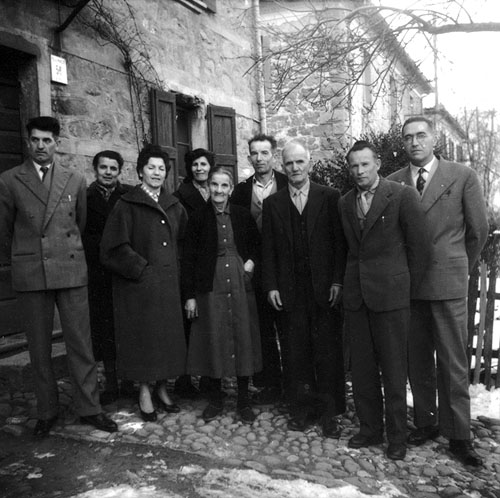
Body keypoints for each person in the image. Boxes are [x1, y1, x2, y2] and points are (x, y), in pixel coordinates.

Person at [0, 116, 117, 436]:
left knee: (81, 343)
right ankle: (47, 410)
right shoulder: (9, 180)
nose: (41, 146)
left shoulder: (74, 179)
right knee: (39, 348)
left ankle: (89, 408)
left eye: (47, 140)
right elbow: (4, 231)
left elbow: (79, 224)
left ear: (57, 143)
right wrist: (25, 255)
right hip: (32, 272)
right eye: (35, 140)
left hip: (70, 268)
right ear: (28, 142)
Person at [388, 116, 489, 466]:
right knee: (417, 360)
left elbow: (478, 231)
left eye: (421, 135)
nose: (414, 142)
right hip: (410, 287)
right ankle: (427, 422)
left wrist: (457, 265)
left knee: (452, 362)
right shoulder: (394, 182)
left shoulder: (462, 176)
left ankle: (459, 435)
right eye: (408, 137)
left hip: (447, 284)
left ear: (434, 139)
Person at [339, 140, 429, 460]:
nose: (360, 171)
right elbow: (349, 250)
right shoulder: (345, 202)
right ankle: (370, 430)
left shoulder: (402, 195)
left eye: (365, 164)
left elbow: (420, 249)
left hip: (392, 298)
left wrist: (405, 290)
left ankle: (397, 437)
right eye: (354, 166)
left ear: (377, 163)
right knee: (362, 370)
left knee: (393, 371)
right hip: (358, 297)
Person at [261, 140, 346, 437]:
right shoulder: (273, 203)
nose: (295, 168)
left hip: (324, 290)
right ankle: (301, 409)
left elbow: (340, 244)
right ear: (282, 166)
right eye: (289, 163)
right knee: (295, 352)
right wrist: (271, 285)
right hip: (290, 291)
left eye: (299, 162)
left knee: (327, 352)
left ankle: (329, 413)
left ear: (309, 162)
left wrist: (337, 280)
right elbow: (268, 249)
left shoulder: (330, 197)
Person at [100, 144, 187, 422]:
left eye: (161, 169)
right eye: (151, 168)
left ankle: (162, 388)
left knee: (166, 338)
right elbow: (112, 247)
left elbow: (184, 243)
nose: (157, 173)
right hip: (138, 287)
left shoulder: (174, 205)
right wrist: (141, 270)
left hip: (168, 286)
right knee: (145, 340)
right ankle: (145, 392)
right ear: (140, 172)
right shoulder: (127, 205)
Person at [182, 166, 262, 424]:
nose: (218, 190)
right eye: (214, 185)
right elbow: (188, 258)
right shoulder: (198, 217)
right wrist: (190, 296)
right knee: (214, 337)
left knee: (242, 337)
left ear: (231, 189)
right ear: (209, 187)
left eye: (224, 185)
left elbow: (257, 245)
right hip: (210, 284)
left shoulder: (241, 214)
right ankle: (215, 399)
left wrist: (250, 262)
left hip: (239, 282)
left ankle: (243, 400)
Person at [231, 134, 288, 405]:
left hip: (285, 268)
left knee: (288, 328)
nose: (259, 158)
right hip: (255, 268)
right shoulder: (241, 191)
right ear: (249, 157)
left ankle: (294, 384)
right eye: (254, 153)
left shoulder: (287, 183)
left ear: (273, 155)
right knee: (263, 329)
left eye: (265, 153)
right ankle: (270, 385)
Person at [82, 151, 133, 405]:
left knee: (127, 326)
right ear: (95, 169)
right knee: (105, 330)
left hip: (124, 271)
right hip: (98, 272)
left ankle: (130, 381)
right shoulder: (85, 197)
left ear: (120, 171)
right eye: (103, 167)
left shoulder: (129, 196)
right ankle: (111, 383)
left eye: (113, 168)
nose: (108, 172)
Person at [173, 148, 214, 398]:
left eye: (203, 164)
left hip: (213, 261)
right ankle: (184, 379)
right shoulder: (181, 195)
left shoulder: (217, 189)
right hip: (192, 260)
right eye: (195, 165)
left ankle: (210, 377)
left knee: (209, 320)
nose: (199, 168)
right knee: (189, 323)